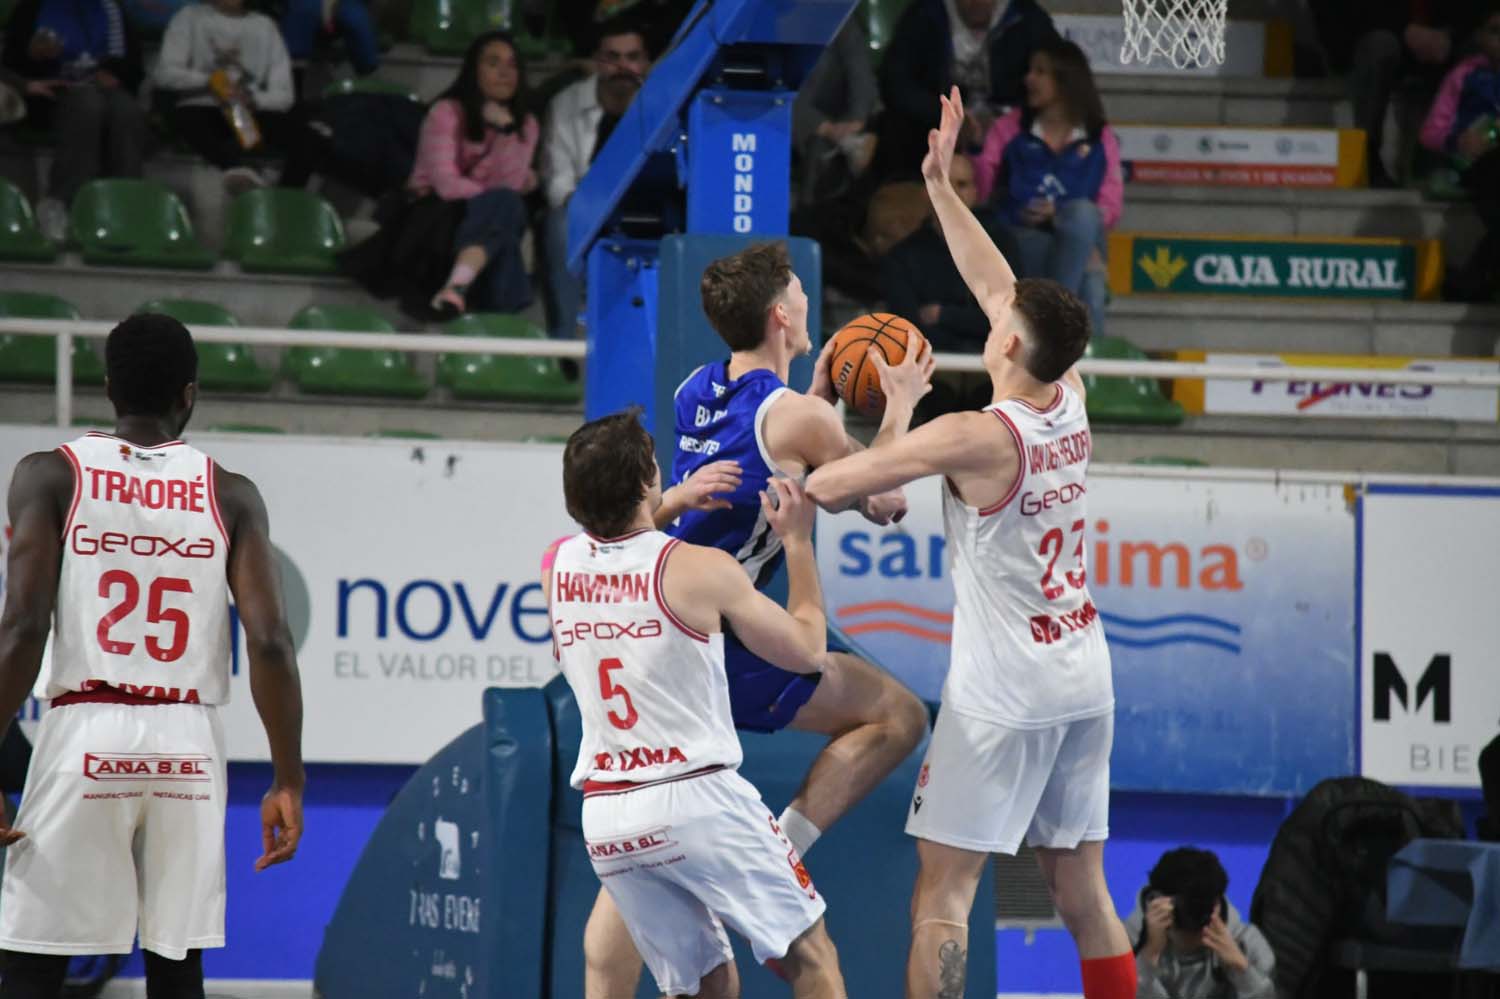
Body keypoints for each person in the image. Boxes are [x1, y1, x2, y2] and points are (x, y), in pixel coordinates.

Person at [805, 88, 1135, 999]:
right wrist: (942, 186)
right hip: (1083, 675)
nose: (991, 311)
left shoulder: (977, 435)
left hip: (1004, 694)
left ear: (1012, 343)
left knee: (943, 895)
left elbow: (832, 485)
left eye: (1001, 318)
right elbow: (999, 283)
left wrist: (875, 400)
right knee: (1083, 889)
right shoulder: (1064, 393)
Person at [583, 240, 933, 996]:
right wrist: (900, 404)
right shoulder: (799, 417)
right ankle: (780, 844)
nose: (810, 302)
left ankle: (752, 858)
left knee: (636, 876)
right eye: (801, 294)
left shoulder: (690, 389)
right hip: (725, 636)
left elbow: (779, 436)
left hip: (658, 628)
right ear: (781, 314)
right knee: (898, 715)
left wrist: (820, 402)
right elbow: (883, 497)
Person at [0, 313, 305, 998]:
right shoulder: (230, 491)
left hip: (86, 727)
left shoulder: (49, 474)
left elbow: (21, 625)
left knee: (33, 959)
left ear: (107, 388)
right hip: (188, 739)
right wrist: (289, 778)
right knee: (176, 966)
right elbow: (270, 642)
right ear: (189, 395)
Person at [545, 411, 846, 999]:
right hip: (694, 794)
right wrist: (798, 542)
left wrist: (673, 499)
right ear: (645, 482)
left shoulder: (555, 566)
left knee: (705, 983)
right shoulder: (702, 569)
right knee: (810, 954)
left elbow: (611, 536)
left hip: (607, 816)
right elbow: (809, 651)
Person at [340, 31, 539, 320]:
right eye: (493, 63)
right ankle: (496, 319)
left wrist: (504, 134)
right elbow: (446, 185)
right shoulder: (446, 112)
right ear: (473, 70)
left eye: (512, 65)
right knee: (505, 222)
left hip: (484, 221)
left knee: (506, 206)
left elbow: (506, 186)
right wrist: (491, 190)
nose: (505, 72)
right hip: (435, 221)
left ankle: (457, 288)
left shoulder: (526, 124)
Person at [975, 38, 1119, 338]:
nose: (1029, 79)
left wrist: (1061, 214)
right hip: (1021, 237)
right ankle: (1073, 351)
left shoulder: (1098, 136)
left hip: (1076, 237)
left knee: (1083, 214)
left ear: (1066, 81)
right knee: (1090, 283)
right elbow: (983, 190)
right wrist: (976, 147)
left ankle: (1051, 325)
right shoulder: (1009, 128)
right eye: (1030, 70)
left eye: (1040, 72)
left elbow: (1110, 206)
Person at [1, 0, 147, 241]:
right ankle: (62, 203)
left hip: (105, 93)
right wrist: (34, 56)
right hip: (48, 95)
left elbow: (132, 67)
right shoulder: (33, 7)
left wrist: (113, 74)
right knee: (87, 104)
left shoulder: (111, 8)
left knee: (127, 110)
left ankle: (125, 205)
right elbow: (12, 63)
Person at [541, 19, 650, 339]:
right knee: (560, 224)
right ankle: (564, 338)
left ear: (645, 62)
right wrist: (585, 206)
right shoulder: (566, 103)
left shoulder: (661, 103)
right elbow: (556, 178)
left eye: (632, 57)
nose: (623, 66)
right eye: (612, 57)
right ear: (597, 61)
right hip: (583, 205)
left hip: (647, 204)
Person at [1309, 1, 1488, 187]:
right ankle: (1367, 159)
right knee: (1380, 45)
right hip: (1369, 36)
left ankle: (1473, 157)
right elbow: (1337, 14)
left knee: (1482, 47)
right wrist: (1404, 29)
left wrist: (1449, 35)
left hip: (1441, 36)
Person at [875, 0, 1056, 182]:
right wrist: (944, 115)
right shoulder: (926, 14)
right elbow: (895, 82)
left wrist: (1008, 119)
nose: (978, 3)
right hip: (932, 125)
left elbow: (1060, 76)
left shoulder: (1026, 18)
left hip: (1009, 127)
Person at [883, 152, 1024, 355]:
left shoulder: (1002, 245)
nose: (954, 192)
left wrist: (944, 315)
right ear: (927, 191)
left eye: (962, 184)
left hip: (996, 365)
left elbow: (1012, 319)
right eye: (945, 183)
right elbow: (909, 329)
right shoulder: (901, 257)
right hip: (934, 368)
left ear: (975, 192)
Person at [153, 0, 299, 194]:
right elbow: (165, 74)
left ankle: (286, 199)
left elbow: (284, 95)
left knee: (306, 138)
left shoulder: (265, 26)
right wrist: (211, 81)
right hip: (202, 106)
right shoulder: (189, 17)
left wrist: (254, 99)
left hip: (251, 110)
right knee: (188, 118)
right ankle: (236, 171)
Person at [1419, 4, 1500, 301]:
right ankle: (1470, 282)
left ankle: (1468, 282)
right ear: (1479, 36)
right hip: (1478, 165)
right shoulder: (1465, 75)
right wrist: (1458, 141)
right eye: (1495, 31)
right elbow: (1430, 133)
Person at [1124, 848, 1276, 999]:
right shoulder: (1123, 943)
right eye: (1184, 905)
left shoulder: (1249, 946)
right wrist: (1148, 958)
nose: (1193, 915)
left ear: (1217, 903)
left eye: (1202, 905)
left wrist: (1242, 970)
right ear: (1157, 900)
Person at [793, 16, 879, 207]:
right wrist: (824, 127)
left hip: (838, 120)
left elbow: (859, 71)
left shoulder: (839, 17)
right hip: (784, 118)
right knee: (820, 146)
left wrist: (856, 120)